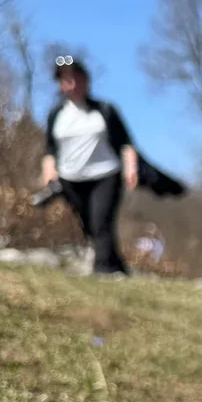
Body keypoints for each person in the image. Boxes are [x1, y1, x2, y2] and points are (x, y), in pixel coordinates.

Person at [42, 56, 137, 275]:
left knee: (101, 221)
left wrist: (130, 169)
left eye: (76, 79)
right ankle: (118, 267)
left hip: (105, 174)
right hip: (71, 178)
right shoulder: (56, 115)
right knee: (89, 225)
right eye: (66, 80)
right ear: (59, 84)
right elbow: (49, 149)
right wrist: (49, 172)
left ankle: (102, 271)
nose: (71, 85)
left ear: (85, 80)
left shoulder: (104, 110)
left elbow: (126, 144)